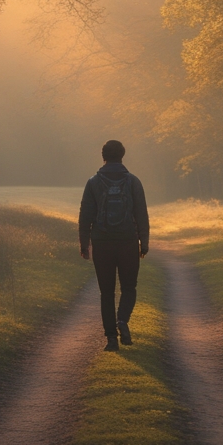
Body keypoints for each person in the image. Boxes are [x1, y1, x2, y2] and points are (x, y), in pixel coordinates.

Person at [78, 139, 150, 351]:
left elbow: (85, 216)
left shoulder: (93, 182)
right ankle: (122, 321)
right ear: (122, 155)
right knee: (129, 287)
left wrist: (85, 244)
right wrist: (143, 242)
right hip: (128, 242)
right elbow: (141, 214)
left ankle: (111, 339)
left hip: (102, 243)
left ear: (104, 156)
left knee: (106, 292)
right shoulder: (133, 182)